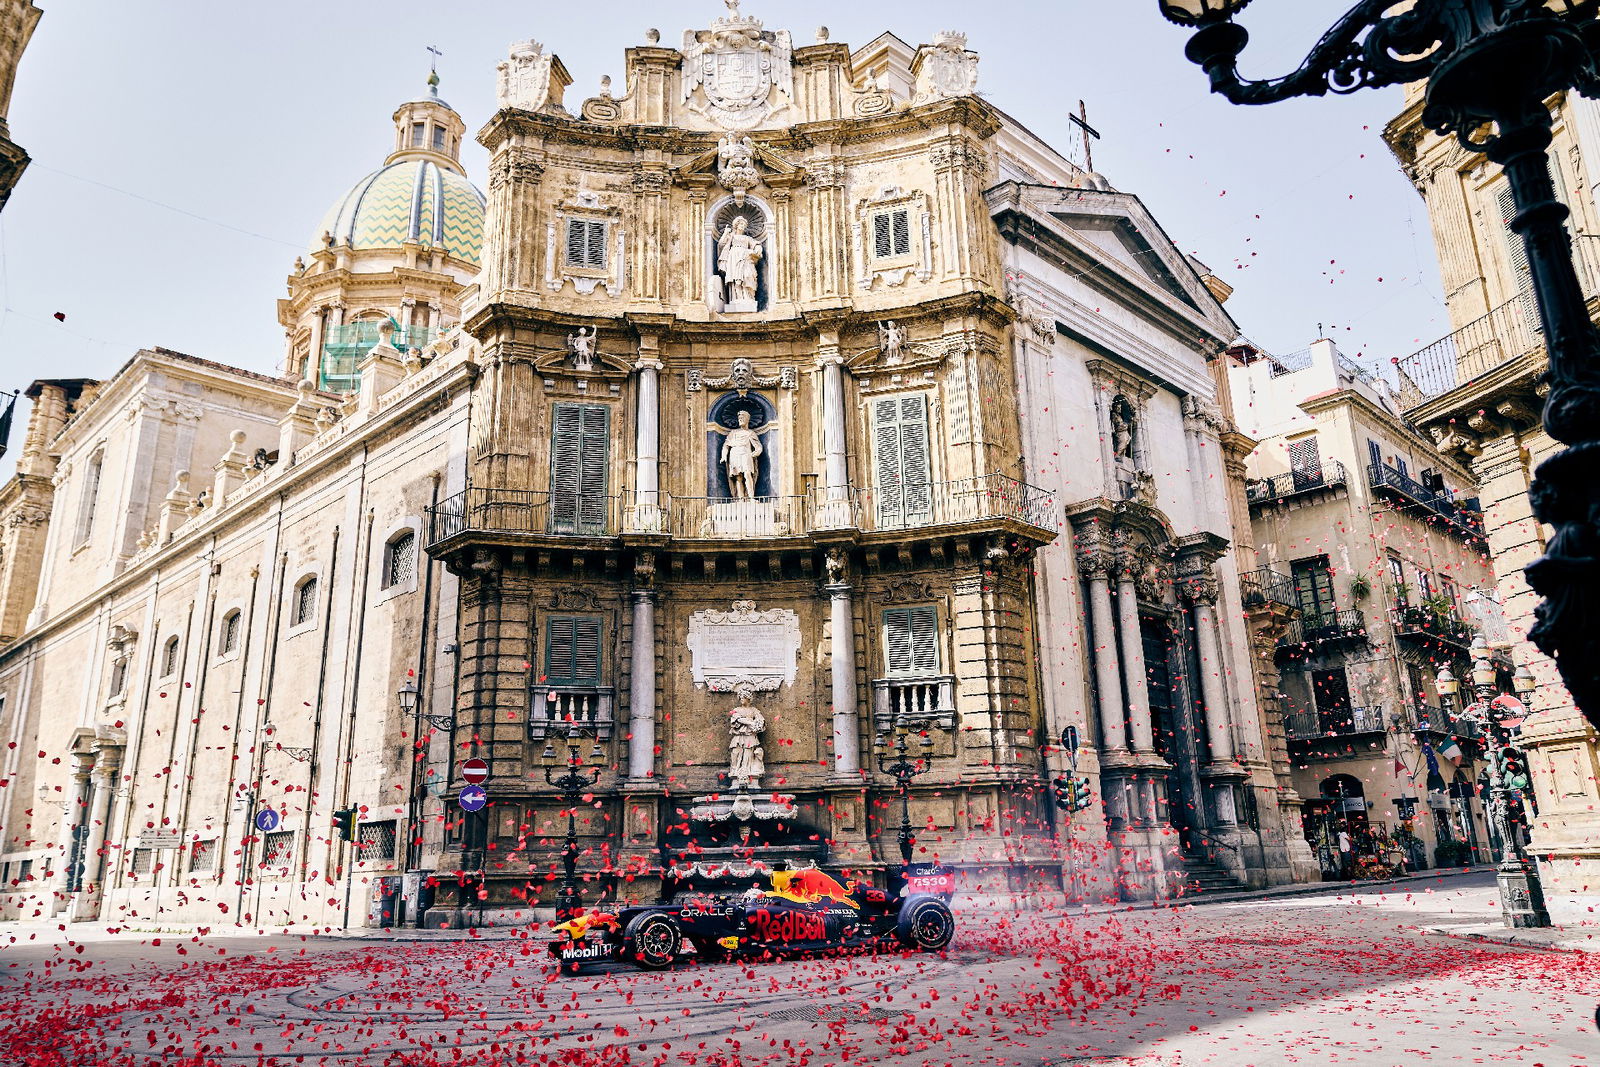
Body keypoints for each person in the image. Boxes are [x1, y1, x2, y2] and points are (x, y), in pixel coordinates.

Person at [717, 216, 763, 309]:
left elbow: (756, 244)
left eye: (744, 224)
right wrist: (725, 233)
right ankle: (736, 298)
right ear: (736, 225)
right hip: (734, 257)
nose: (743, 226)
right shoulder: (731, 236)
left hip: (746, 257)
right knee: (735, 278)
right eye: (741, 224)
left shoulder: (747, 238)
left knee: (748, 275)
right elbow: (721, 244)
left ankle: (748, 298)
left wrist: (758, 249)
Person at [720, 410, 763, 500]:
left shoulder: (750, 433)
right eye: (739, 418)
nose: (740, 419)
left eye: (742, 418)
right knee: (738, 477)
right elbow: (726, 445)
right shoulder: (733, 433)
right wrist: (724, 456)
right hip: (734, 454)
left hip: (746, 454)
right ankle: (740, 498)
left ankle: (751, 497)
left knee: (747, 474)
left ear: (747, 419)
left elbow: (758, 446)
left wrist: (757, 452)